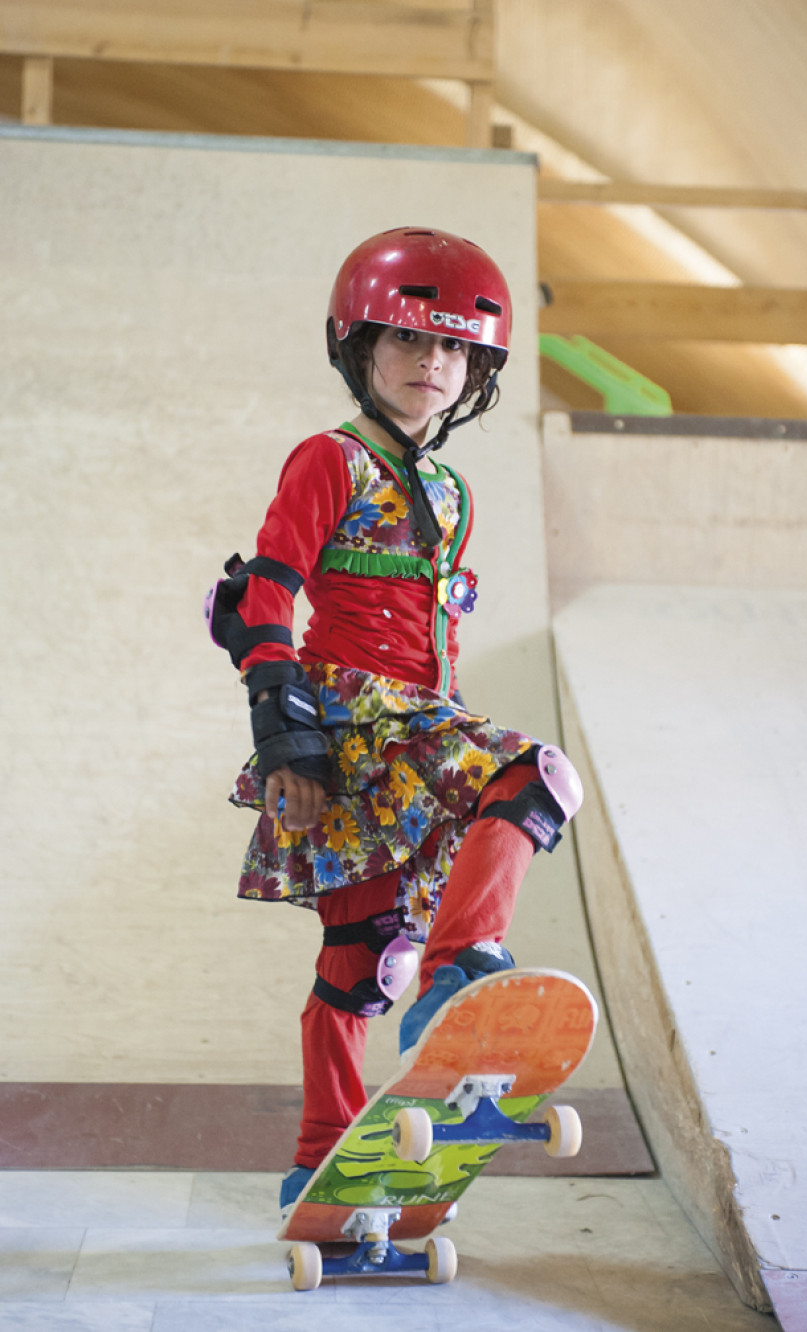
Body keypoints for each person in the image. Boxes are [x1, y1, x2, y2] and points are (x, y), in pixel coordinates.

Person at [205, 226, 583, 1217]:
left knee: (361, 958)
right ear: (360, 349)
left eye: (454, 348)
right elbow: (266, 595)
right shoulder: (330, 460)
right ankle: (461, 964)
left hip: (420, 725)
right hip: (345, 722)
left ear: (478, 370)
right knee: (536, 776)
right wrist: (284, 728)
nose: (433, 364)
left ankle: (317, 1160)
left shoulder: (452, 493)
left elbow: (436, 636)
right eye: (410, 341)